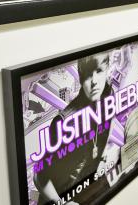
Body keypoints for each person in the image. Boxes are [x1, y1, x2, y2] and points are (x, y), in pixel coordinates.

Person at [34, 53, 118, 205]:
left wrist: (102, 156)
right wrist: (62, 203)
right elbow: (39, 176)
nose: (94, 82)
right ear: (80, 78)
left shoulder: (108, 94)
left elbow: (109, 121)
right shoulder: (64, 122)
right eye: (88, 75)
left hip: (91, 186)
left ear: (107, 70)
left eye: (99, 71)